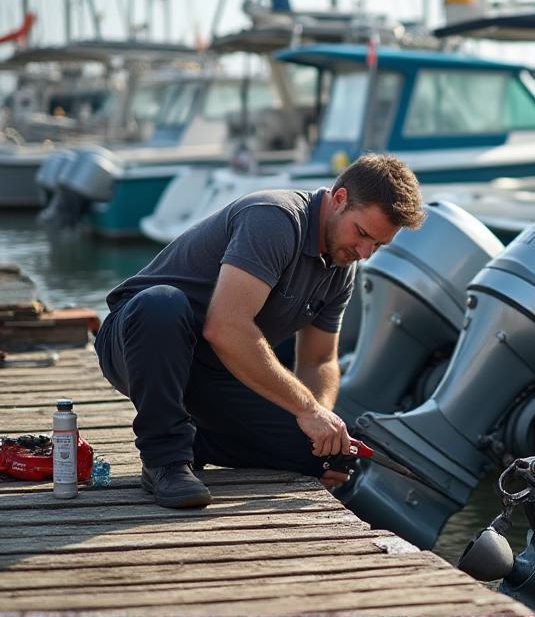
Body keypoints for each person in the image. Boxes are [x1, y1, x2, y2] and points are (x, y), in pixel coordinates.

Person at [95, 154, 425, 508]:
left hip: (213, 370)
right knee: (162, 304)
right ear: (340, 199)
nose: (364, 253)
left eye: (377, 245)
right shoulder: (275, 219)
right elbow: (225, 327)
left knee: (324, 461)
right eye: (361, 234)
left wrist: (322, 427)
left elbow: (320, 359)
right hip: (140, 341)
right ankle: (165, 460)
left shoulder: (342, 265)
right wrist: (306, 410)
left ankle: (192, 440)